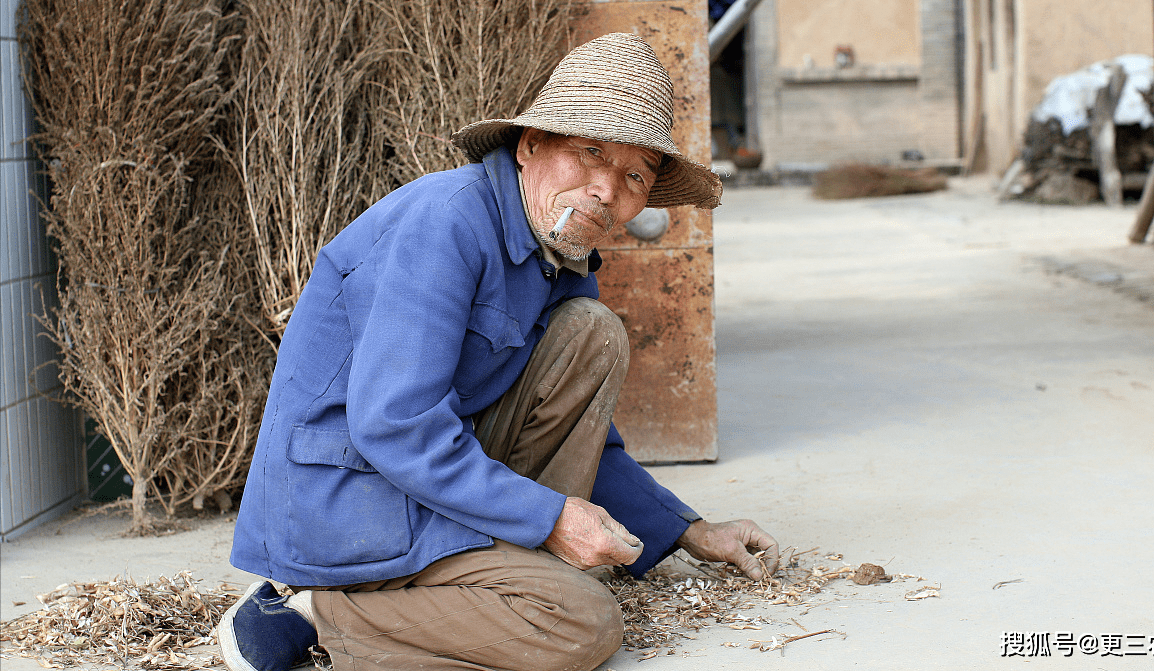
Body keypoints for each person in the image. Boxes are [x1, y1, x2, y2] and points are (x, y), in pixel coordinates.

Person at [219, 33, 779, 671]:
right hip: (350, 498)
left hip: (423, 481)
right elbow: (394, 424)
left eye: (633, 176)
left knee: (592, 332)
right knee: (582, 625)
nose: (605, 191)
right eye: (589, 153)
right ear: (531, 145)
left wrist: (686, 530)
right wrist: (548, 517)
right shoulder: (446, 223)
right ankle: (318, 611)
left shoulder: (558, 256)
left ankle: (501, 575)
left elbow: (586, 433)